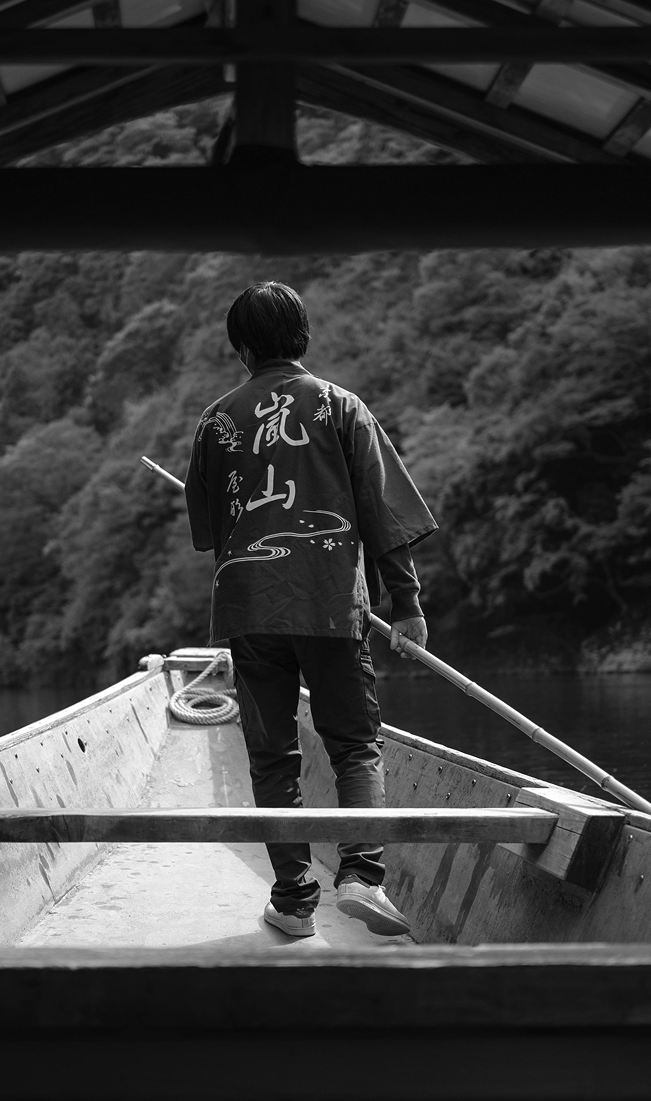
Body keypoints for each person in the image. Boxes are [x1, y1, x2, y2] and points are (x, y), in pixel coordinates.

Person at [185, 281, 437, 939]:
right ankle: (360, 875)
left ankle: (294, 902)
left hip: (248, 610)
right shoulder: (341, 406)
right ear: (304, 338)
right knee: (355, 744)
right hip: (328, 605)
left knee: (272, 758)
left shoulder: (216, 421)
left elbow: (209, 530)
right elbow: (386, 516)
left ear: (240, 349)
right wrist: (406, 605)